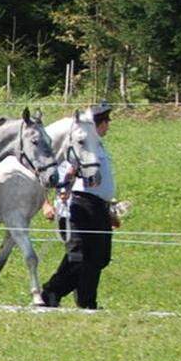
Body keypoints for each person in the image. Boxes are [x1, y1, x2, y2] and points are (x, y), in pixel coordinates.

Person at [40, 103, 117, 309]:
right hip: (79, 204)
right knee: (79, 256)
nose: (108, 125)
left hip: (99, 205)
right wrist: (47, 202)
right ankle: (51, 293)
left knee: (99, 257)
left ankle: (86, 301)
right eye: (106, 122)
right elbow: (60, 174)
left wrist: (109, 208)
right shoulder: (79, 146)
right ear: (98, 125)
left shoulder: (97, 146)